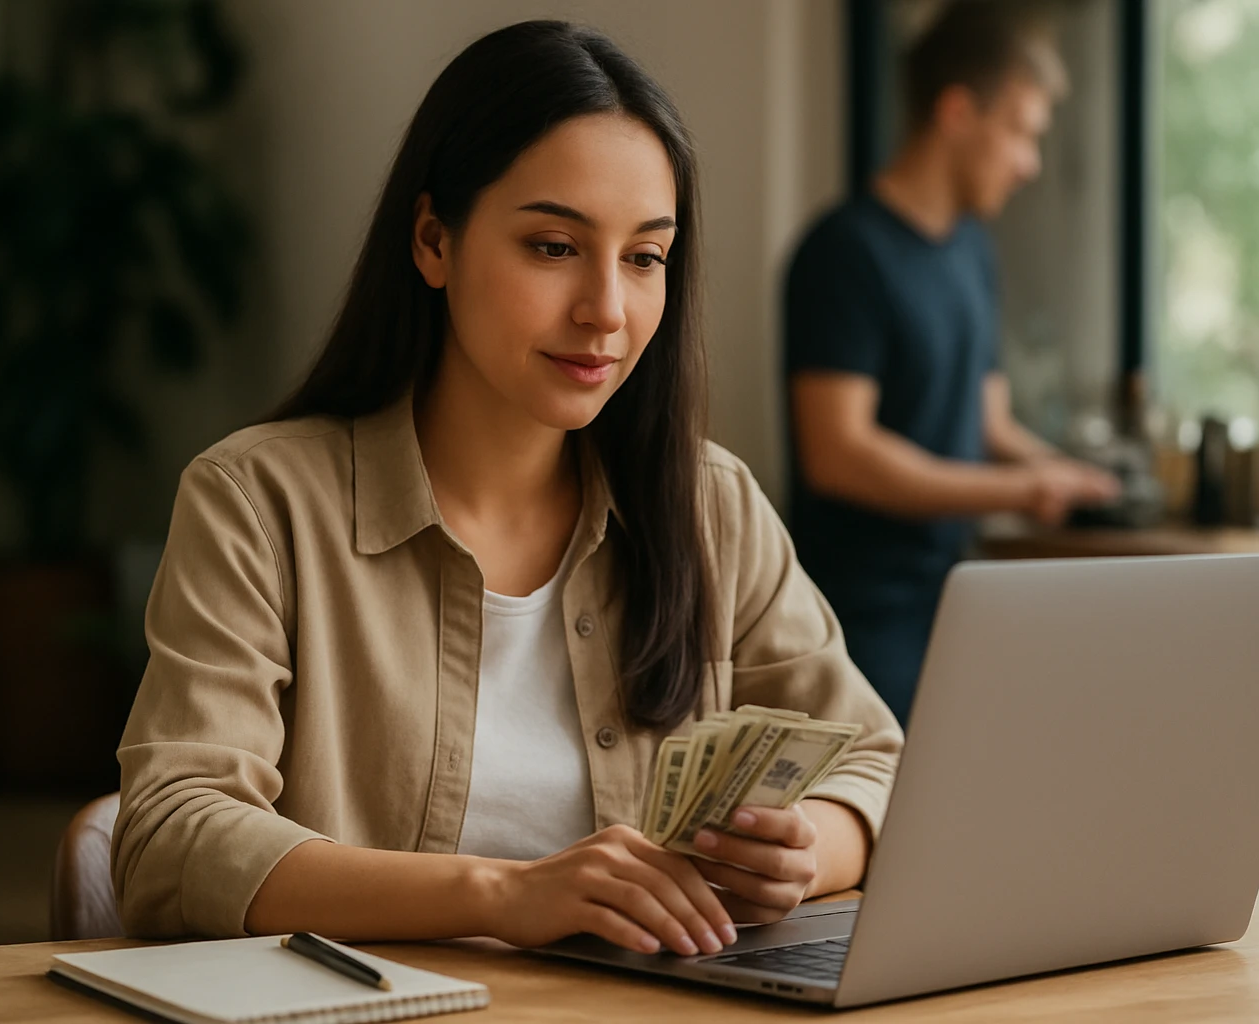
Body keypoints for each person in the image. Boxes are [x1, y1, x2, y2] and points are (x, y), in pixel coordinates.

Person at [111, 20, 901, 961]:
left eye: (646, 257)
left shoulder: (708, 503)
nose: (606, 309)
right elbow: (170, 836)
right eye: (554, 246)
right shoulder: (259, 503)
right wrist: (502, 894)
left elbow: (874, 761)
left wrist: (809, 851)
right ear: (434, 240)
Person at [783, 0, 1120, 726]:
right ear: (959, 111)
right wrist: (1020, 489)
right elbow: (838, 453)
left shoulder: (972, 251)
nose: (1031, 163)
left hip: (957, 608)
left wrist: (1071, 476)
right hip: (856, 624)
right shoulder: (844, 252)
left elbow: (987, 420)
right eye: (1023, 134)